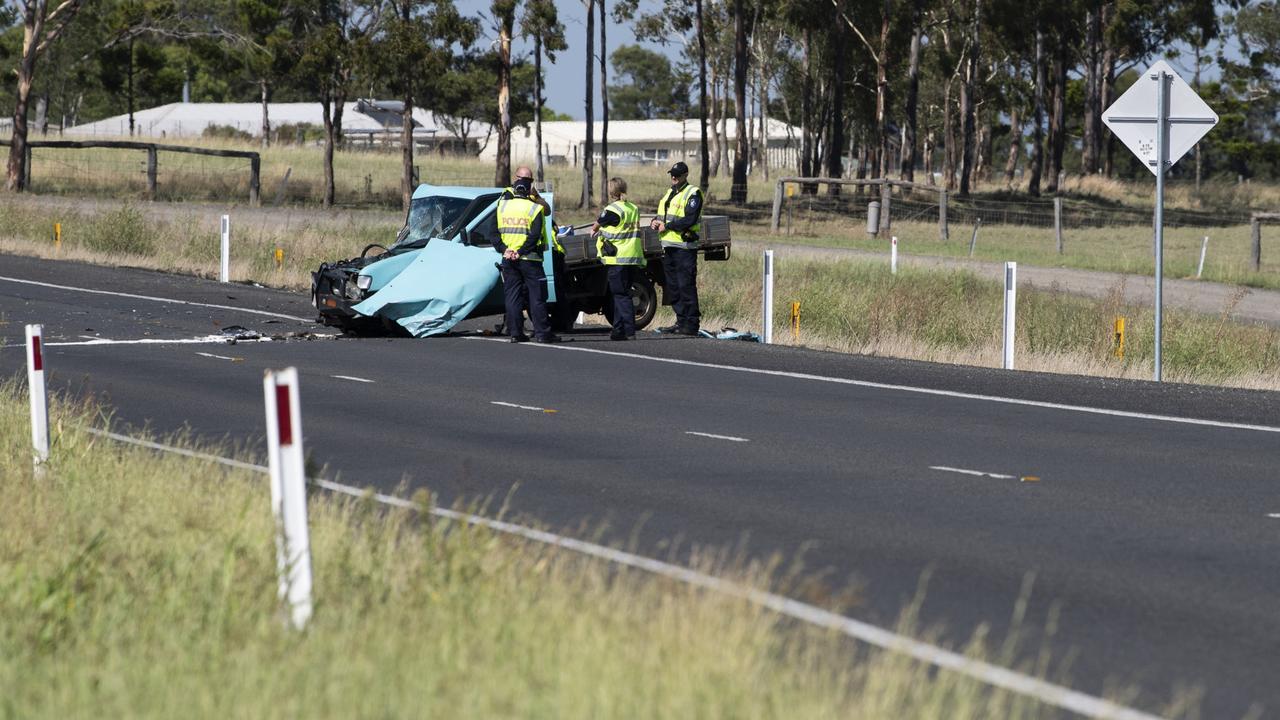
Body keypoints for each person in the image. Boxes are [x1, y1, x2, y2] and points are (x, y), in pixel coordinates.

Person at [501, 166, 574, 331]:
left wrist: (535, 197)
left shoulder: (532, 197)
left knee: (532, 296)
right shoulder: (507, 196)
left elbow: (546, 211)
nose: (526, 183)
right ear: (516, 178)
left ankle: (520, 331)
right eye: (524, 180)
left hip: (524, 254)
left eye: (529, 180)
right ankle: (534, 331)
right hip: (524, 255)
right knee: (532, 296)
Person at [493, 177, 559, 343]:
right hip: (530, 259)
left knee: (513, 297)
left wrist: (504, 249)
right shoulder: (534, 208)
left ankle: (515, 333)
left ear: (514, 190)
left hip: (508, 258)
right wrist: (520, 251)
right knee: (537, 297)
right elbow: (534, 235)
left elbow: (492, 233)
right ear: (530, 191)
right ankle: (543, 334)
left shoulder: (502, 207)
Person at [652, 161, 703, 335]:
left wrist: (668, 226)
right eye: (672, 174)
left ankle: (691, 324)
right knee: (673, 287)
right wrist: (655, 221)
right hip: (668, 247)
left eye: (677, 174)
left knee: (686, 286)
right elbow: (662, 215)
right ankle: (681, 322)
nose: (673, 177)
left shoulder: (693, 193)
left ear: (685, 175)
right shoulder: (669, 193)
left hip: (684, 247)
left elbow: (690, 219)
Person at [590, 177, 643, 341]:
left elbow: (597, 224)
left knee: (620, 295)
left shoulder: (612, 210)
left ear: (611, 191)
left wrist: (594, 230)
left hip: (617, 259)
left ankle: (629, 330)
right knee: (622, 294)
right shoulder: (632, 208)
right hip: (632, 257)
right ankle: (618, 330)